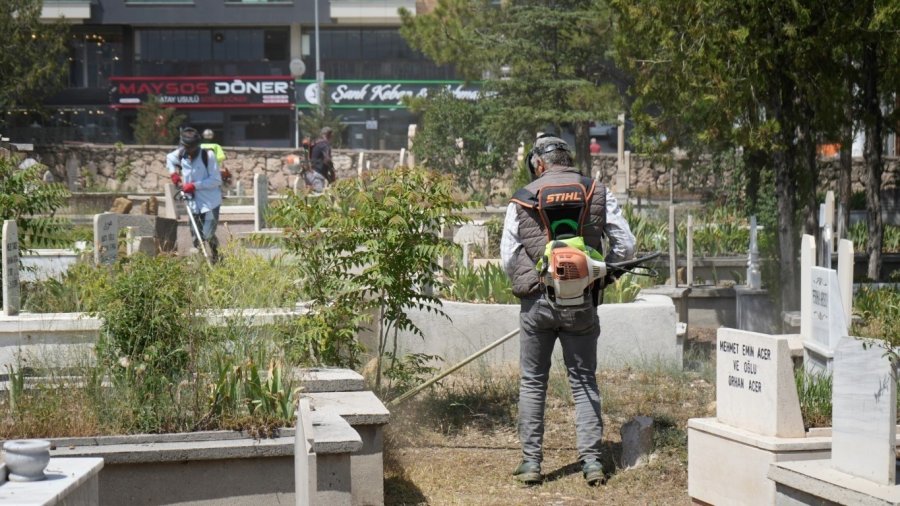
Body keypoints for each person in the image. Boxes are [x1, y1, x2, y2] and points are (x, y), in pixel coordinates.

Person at [500, 134, 635, 486]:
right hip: (582, 301)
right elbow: (625, 244)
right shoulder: (596, 190)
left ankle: (531, 463)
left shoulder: (523, 198)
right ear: (567, 160)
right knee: (583, 380)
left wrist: (531, 280)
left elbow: (507, 256)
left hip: (537, 304)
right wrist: (603, 276)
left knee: (532, 382)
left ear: (539, 165)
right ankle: (591, 462)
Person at [166, 127, 223, 263]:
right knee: (196, 235)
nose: (189, 151)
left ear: (197, 145)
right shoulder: (180, 153)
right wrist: (173, 173)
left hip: (210, 202)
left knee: (208, 233)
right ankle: (200, 261)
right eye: (186, 147)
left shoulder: (207, 156)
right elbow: (169, 158)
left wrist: (194, 185)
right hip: (192, 202)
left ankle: (217, 255)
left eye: (191, 148)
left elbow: (216, 180)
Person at [308, 126, 336, 192]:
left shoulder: (316, 143)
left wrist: (327, 176)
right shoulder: (325, 144)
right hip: (318, 175)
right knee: (319, 198)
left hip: (311, 173)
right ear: (329, 135)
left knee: (312, 198)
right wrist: (332, 171)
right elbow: (327, 160)